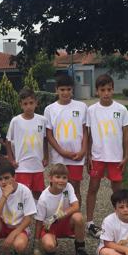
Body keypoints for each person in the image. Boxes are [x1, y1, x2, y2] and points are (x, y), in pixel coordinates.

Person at [85, 74, 128, 238]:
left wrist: (126, 156)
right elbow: (88, 135)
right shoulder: (91, 110)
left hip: (116, 158)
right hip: (97, 157)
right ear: (97, 91)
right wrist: (88, 155)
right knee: (93, 188)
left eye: (109, 89)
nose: (106, 93)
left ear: (113, 90)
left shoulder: (121, 109)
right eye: (102, 90)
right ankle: (90, 223)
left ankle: (119, 221)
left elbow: (126, 134)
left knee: (118, 191)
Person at [32, 164, 93, 255]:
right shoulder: (43, 198)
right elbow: (39, 221)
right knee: (49, 247)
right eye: (58, 177)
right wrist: (36, 245)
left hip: (64, 221)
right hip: (49, 225)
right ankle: (52, 240)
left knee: (78, 217)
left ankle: (80, 249)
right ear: (50, 178)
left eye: (64, 177)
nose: (61, 180)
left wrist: (57, 216)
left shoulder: (68, 187)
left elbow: (76, 206)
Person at [44, 74, 88, 207]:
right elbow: (49, 134)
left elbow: (85, 131)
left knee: (75, 187)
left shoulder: (82, 107)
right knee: (57, 187)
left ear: (72, 90)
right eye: (62, 89)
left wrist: (83, 150)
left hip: (76, 156)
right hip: (59, 157)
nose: (65, 92)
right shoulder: (50, 109)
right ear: (56, 90)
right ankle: (57, 215)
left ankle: (75, 217)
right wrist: (62, 151)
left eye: (68, 89)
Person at [6, 88, 48, 200]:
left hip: (38, 165)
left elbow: (45, 140)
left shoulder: (42, 120)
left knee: (39, 194)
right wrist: (11, 160)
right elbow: (8, 141)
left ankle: (39, 216)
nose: (28, 106)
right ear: (21, 105)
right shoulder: (16, 121)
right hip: (22, 166)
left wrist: (46, 157)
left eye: (31, 103)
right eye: (25, 104)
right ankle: (24, 217)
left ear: (36, 103)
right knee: (22, 195)